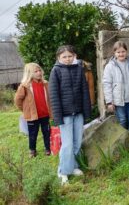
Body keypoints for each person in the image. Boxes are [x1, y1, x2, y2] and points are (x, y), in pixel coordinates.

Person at [49, 45, 91, 185]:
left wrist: (86, 112)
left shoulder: (79, 69)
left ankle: (72, 167)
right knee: (67, 144)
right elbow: (54, 96)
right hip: (65, 114)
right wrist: (57, 117)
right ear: (59, 58)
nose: (67, 59)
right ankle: (63, 172)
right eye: (64, 57)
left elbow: (85, 92)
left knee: (76, 142)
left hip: (78, 112)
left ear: (74, 56)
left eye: (69, 56)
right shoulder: (56, 71)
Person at [103, 41, 129, 136]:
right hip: (118, 100)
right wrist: (109, 101)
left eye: (123, 51)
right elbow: (107, 84)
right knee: (122, 121)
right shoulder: (110, 66)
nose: (121, 54)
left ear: (126, 52)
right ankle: (122, 141)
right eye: (118, 52)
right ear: (114, 53)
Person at [14, 63, 52, 158]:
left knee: (47, 132)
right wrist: (25, 110)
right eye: (36, 71)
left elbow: (50, 98)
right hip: (33, 116)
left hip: (45, 114)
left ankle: (48, 148)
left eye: (40, 71)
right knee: (32, 134)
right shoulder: (25, 86)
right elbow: (17, 100)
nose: (39, 73)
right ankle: (32, 150)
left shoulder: (45, 84)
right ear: (29, 73)